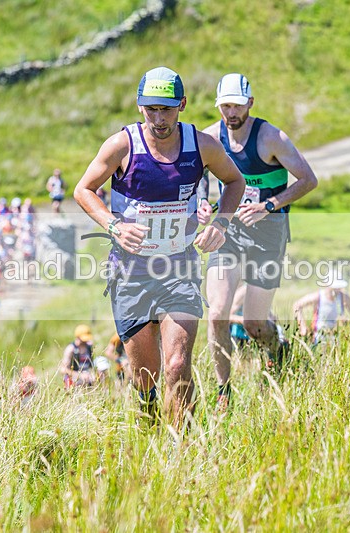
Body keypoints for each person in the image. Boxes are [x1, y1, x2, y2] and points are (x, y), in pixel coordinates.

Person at [73, 66, 244, 427]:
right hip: (131, 271)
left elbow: (234, 181)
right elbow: (83, 190)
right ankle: (149, 426)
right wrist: (114, 225)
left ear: (181, 105)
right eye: (151, 109)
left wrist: (221, 223)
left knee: (178, 365)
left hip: (179, 265)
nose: (159, 118)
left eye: (166, 109)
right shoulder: (123, 145)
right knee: (145, 378)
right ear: (140, 107)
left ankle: (181, 452)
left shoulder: (200, 145)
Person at [197, 72, 317, 410]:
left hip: (268, 232)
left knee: (252, 323)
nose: (231, 113)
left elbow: (309, 179)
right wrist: (202, 203)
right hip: (229, 232)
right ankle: (224, 392)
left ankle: (278, 349)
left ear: (250, 102)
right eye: (225, 106)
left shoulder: (271, 137)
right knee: (217, 312)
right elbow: (197, 178)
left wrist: (269, 205)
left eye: (236, 105)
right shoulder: (209, 137)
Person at [293, 276, 350, 346]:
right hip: (319, 337)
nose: (337, 290)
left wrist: (347, 321)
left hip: (338, 337)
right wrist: (302, 326)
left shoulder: (344, 297)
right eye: (335, 287)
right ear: (328, 286)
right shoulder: (318, 296)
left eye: (339, 287)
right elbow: (297, 305)